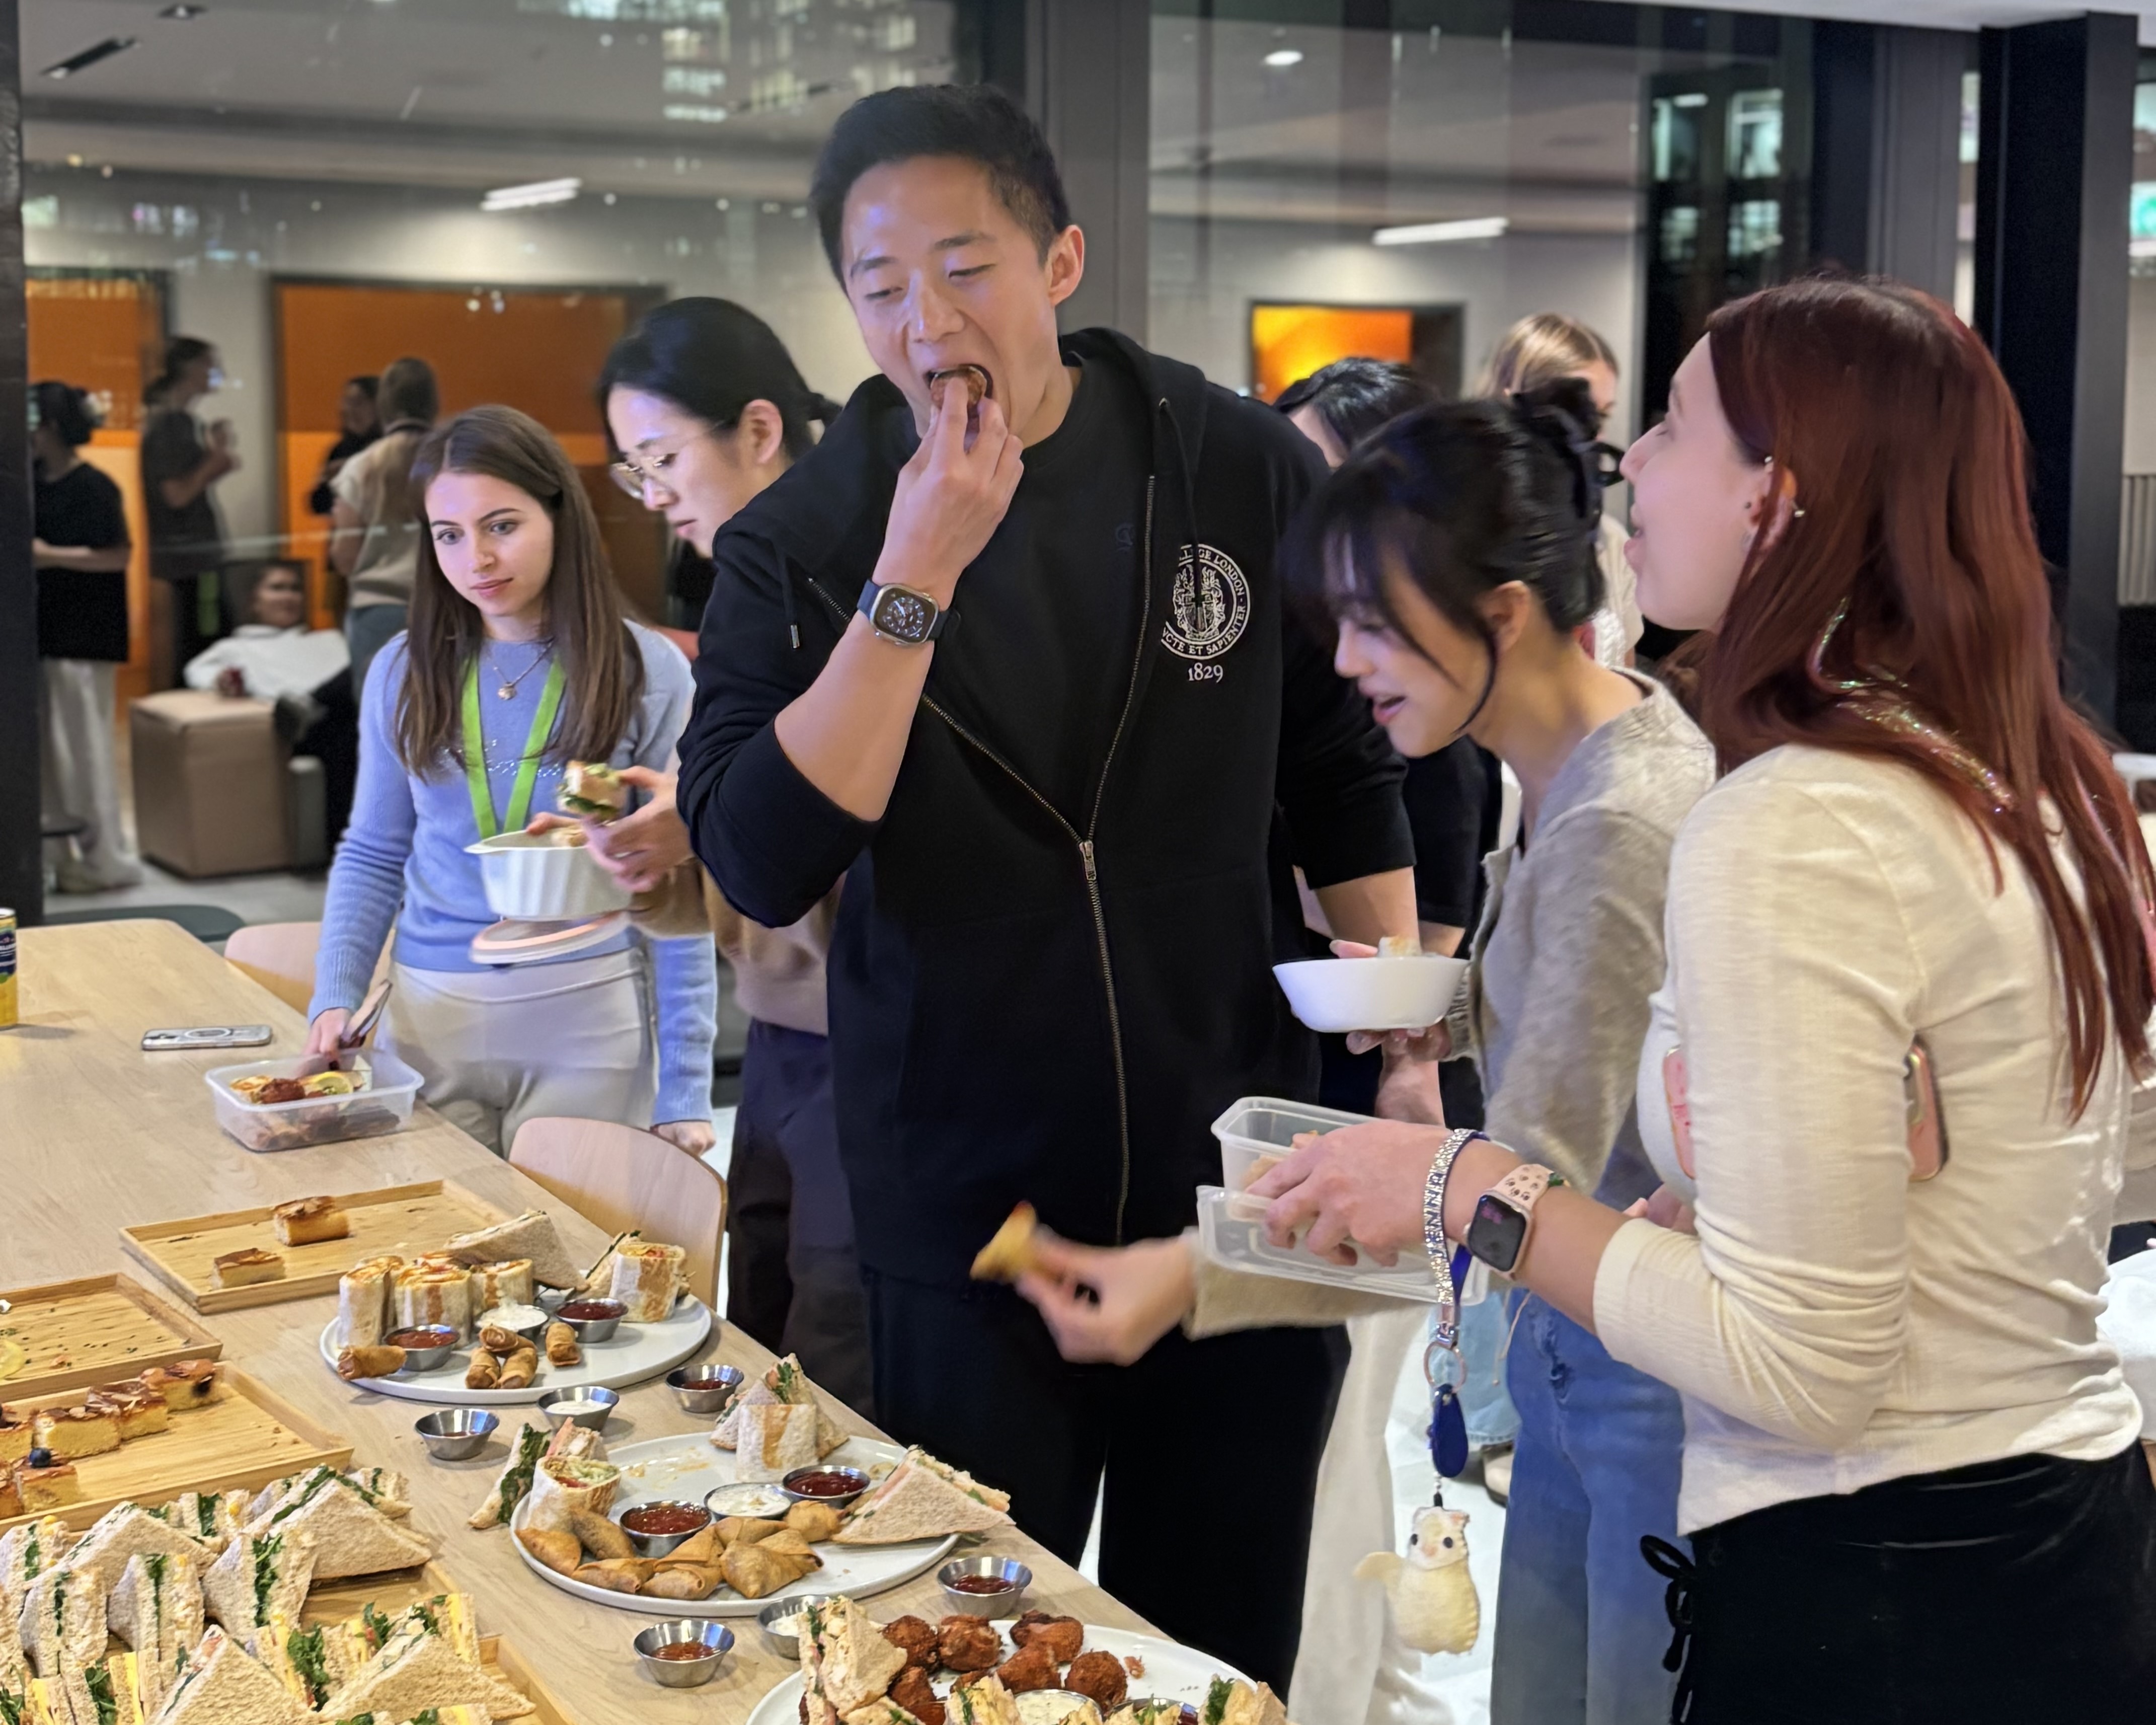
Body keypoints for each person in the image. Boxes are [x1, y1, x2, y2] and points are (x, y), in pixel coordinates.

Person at [1255, 278, 2156, 1720]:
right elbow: (2008, 1179)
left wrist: (1454, 1181)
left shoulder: (1792, 819)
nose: (1631, 472)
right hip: (2058, 1535)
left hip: (1875, 1575)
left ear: (1774, 499)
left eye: (1672, 426)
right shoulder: (2032, 779)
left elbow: (1801, 1367)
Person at [675, 84, 1417, 1690]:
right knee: (969, 1651)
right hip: (967, 1211)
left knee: (1217, 1648)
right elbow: (756, 851)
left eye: (968, 265)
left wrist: (1400, 1039)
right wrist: (914, 571)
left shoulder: (1224, 461)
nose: (928, 319)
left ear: (1061, 261)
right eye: (882, 284)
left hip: (1239, 1186)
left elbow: (1344, 764)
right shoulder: (800, 542)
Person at [1020, 383, 1715, 1725]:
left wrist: (1191, 1271)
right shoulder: (1600, 759)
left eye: (1369, 623)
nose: (1341, 662)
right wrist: (1449, 1007)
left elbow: (1510, 1208)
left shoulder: (1612, 827)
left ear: (1499, 615)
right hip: (1599, 1371)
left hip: (1639, 1390)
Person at [587, 296, 872, 1409]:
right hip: (790, 1040)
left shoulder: (861, 593)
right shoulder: (761, 587)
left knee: (832, 1367)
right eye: (632, 469)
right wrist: (681, 841)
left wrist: (707, 826)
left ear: (761, 431)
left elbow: (871, 844)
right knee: (757, 1322)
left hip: (873, 1044)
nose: (652, 494)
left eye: (662, 457)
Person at [305, 406, 719, 1160]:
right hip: (431, 1018)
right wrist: (334, 995)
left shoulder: (646, 667)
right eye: (449, 535)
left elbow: (677, 880)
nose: (478, 560)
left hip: (587, 1017)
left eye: (502, 525)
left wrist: (685, 1086)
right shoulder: (403, 668)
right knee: (439, 1261)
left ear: (558, 515)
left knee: (575, 1265)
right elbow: (372, 850)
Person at [34, 380, 144, 892]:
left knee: (86, 750)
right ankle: (61, 856)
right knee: (49, 758)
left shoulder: (95, 487)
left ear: (51, 427)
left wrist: (50, 554)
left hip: (85, 636)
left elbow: (117, 555)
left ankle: (105, 857)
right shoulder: (31, 481)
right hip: (42, 636)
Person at [1483, 314, 1639, 669]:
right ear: (1514, 405)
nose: (1589, 435)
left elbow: (1627, 688)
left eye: (1600, 417)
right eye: (1570, 411)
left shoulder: (1608, 542)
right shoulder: (1466, 536)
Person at [184, 564, 358, 846]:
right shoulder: (236, 648)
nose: (288, 597)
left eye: (295, 589)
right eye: (277, 588)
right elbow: (197, 671)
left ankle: (311, 702)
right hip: (306, 728)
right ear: (254, 601)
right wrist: (222, 681)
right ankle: (308, 705)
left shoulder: (329, 639)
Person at [333, 356, 439, 698]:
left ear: (384, 406)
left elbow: (345, 555)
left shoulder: (362, 467)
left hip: (377, 612)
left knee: (384, 729)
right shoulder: (454, 461)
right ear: (435, 403)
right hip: (445, 609)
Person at [140, 336, 238, 689]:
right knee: (206, 646)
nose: (218, 374)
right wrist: (215, 461)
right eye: (210, 366)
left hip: (189, 559)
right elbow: (177, 494)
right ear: (189, 369)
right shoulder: (172, 425)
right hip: (193, 561)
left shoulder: (175, 422)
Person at [309, 374, 380, 516]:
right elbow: (319, 506)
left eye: (358, 402)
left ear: (378, 406)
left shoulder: (391, 448)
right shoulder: (340, 449)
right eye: (347, 402)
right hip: (348, 533)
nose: (350, 410)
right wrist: (330, 481)